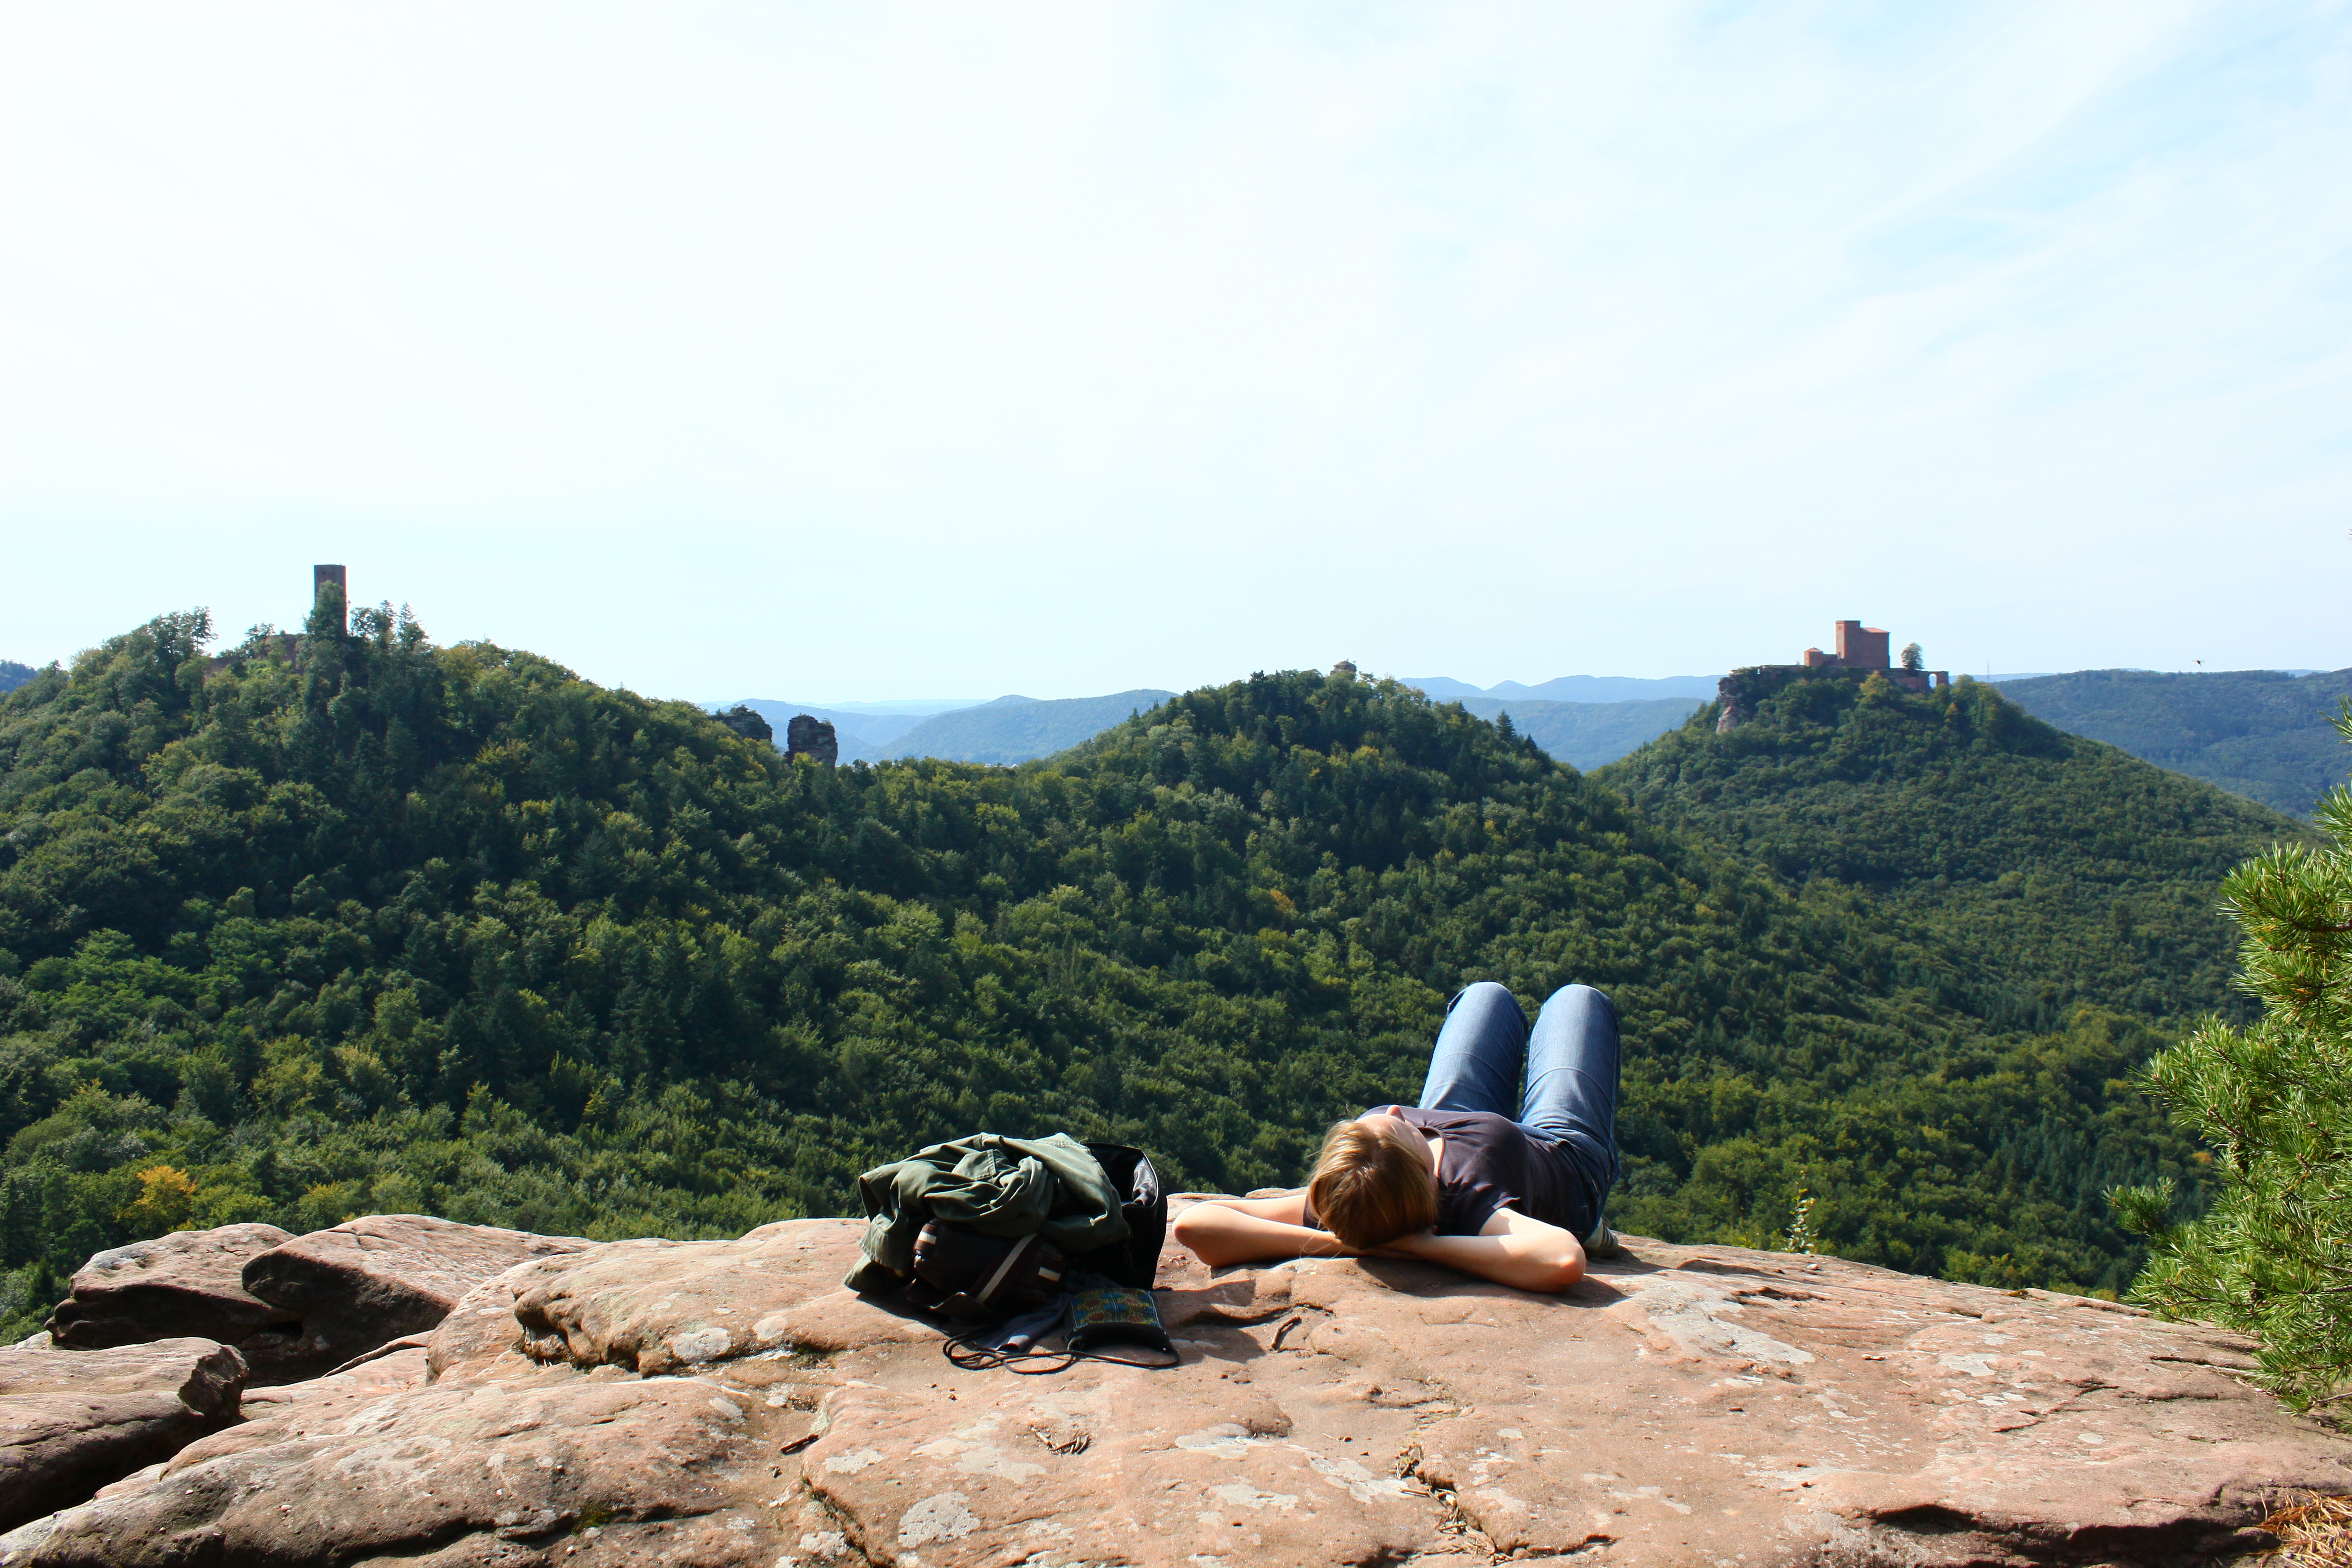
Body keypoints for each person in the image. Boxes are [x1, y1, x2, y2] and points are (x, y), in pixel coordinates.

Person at [1171, 981, 1620, 1293]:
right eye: (1403, 1129)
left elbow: (1195, 1225)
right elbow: (1562, 1259)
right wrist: (1421, 1246)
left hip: (1462, 1121)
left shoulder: (1352, 1194)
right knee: (1577, 1001)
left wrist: (1349, 1243)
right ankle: (1592, 1224)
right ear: (1424, 1176)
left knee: (1486, 997)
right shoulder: (1474, 1201)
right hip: (1560, 1155)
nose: (1394, 1112)